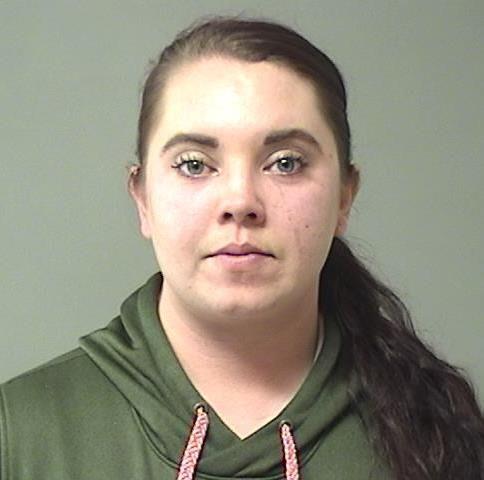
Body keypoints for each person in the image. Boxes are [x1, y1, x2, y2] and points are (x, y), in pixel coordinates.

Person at [1, 16, 483, 480]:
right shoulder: (17, 430)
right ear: (142, 198)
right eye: (194, 164)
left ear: (344, 197)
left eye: (286, 163)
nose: (240, 202)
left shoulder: (442, 433)